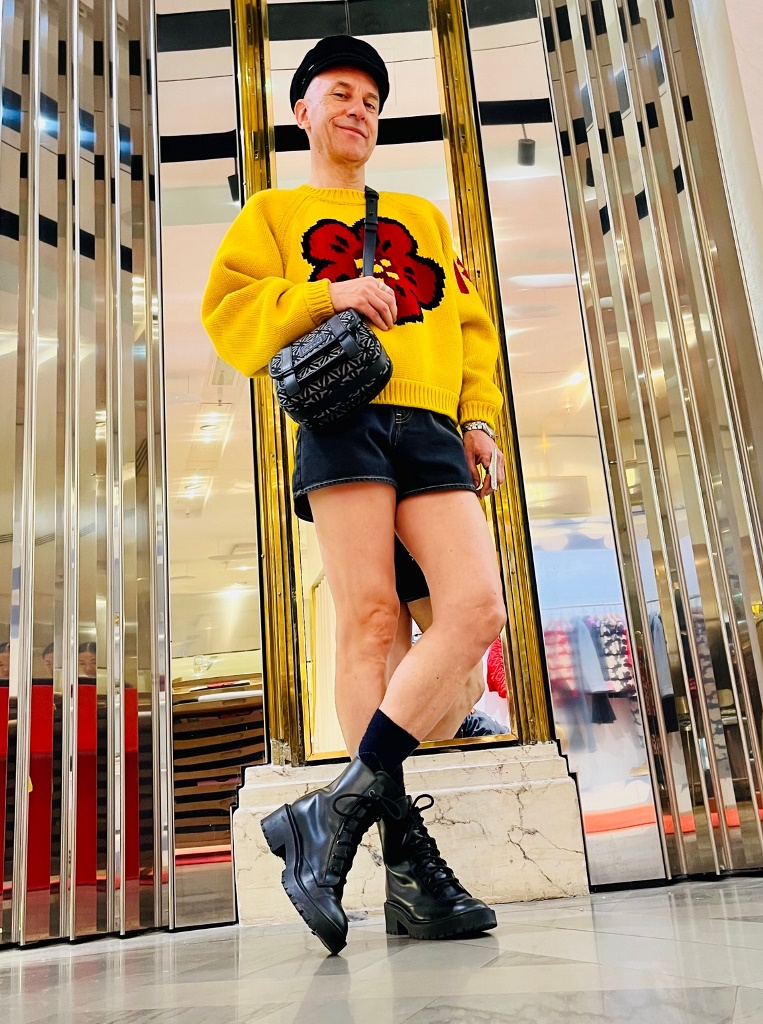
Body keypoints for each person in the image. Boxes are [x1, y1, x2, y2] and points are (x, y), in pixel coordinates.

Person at [202, 35, 507, 955]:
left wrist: (478, 415)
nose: (358, 111)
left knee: (473, 613)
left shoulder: (420, 213)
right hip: (341, 418)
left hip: (430, 424)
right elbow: (228, 314)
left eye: (370, 100)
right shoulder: (271, 211)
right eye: (340, 94)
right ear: (302, 111)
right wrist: (326, 294)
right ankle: (410, 873)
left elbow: (469, 322)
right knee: (371, 623)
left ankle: (331, 811)